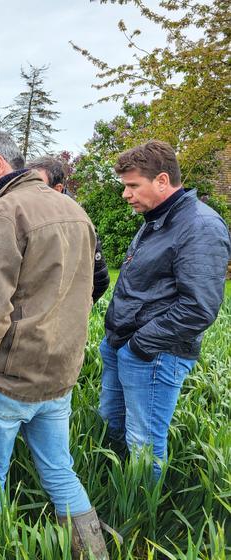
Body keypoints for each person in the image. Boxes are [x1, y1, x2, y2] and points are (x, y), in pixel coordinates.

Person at [0, 131, 110, 559]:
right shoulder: (74, 209)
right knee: (58, 469)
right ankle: (93, 552)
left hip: (6, 375)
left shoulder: (0, 213)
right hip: (58, 373)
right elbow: (89, 291)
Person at [99, 140, 230, 480]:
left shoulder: (200, 226)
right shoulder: (157, 218)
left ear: (161, 180)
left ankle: (143, 514)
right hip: (122, 344)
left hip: (155, 354)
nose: (126, 195)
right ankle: (113, 488)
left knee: (143, 441)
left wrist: (140, 346)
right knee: (111, 423)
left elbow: (199, 307)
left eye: (132, 186)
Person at [28, 155, 110, 302]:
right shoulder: (27, 215)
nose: (29, 192)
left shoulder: (79, 223)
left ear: (57, 189)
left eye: (38, 185)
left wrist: (75, 311)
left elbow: (100, 279)